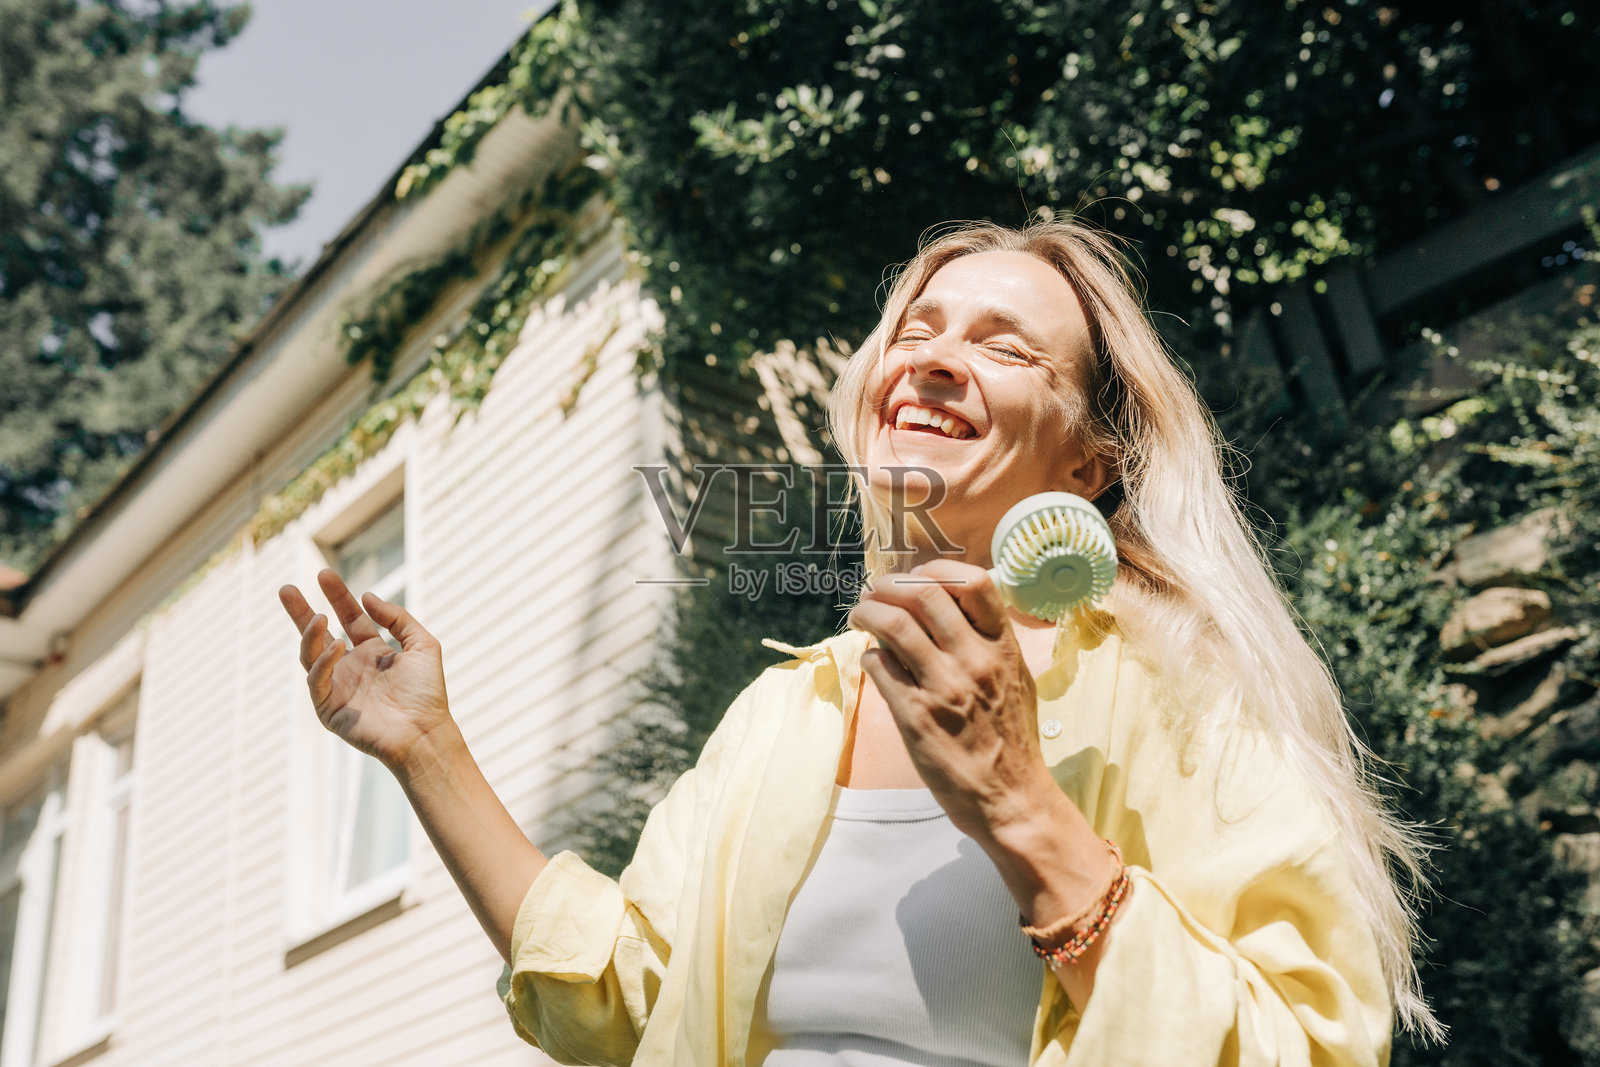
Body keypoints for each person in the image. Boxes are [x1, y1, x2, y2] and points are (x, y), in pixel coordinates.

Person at [279, 219, 1437, 1066]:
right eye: (916, 330)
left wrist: (1019, 800)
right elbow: (623, 1000)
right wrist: (426, 746)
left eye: (1003, 347)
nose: (930, 358)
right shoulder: (788, 710)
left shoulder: (1183, 694)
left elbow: (1308, 1044)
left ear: (1087, 464)